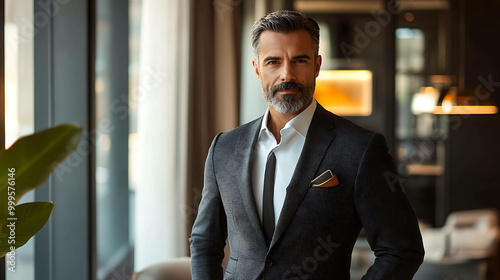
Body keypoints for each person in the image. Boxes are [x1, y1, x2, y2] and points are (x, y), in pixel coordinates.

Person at [190, 10, 424, 280]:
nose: (286, 74)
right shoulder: (224, 147)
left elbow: (402, 248)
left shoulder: (360, 149)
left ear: (316, 65)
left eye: (299, 60)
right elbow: (204, 242)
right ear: (256, 68)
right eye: (273, 62)